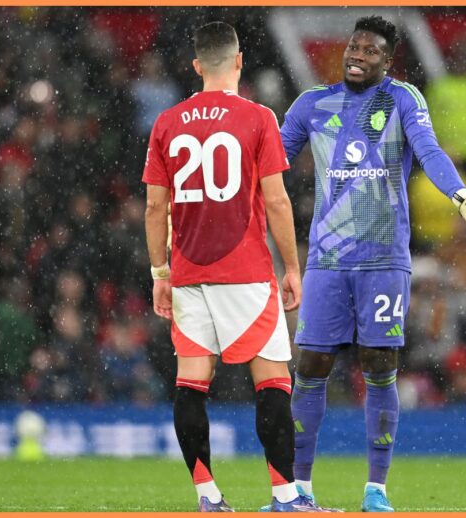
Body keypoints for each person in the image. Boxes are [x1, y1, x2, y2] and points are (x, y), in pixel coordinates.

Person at [276, 15, 466, 512]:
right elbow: (269, 161)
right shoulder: (312, 104)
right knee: (311, 366)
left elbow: (429, 151)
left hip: (384, 260)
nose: (358, 55)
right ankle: (299, 491)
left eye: (370, 50)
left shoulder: (404, 100)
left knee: (380, 368)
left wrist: (461, 196)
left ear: (388, 59)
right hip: (328, 261)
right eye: (353, 47)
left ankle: (376, 489)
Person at [143, 21, 329, 513]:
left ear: (197, 65)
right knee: (271, 383)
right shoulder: (257, 118)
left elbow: (153, 210)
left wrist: (159, 274)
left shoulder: (167, 123)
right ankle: (286, 497)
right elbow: (277, 201)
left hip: (186, 271)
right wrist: (293, 267)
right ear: (240, 61)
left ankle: (208, 496)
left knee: (190, 384)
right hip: (245, 271)